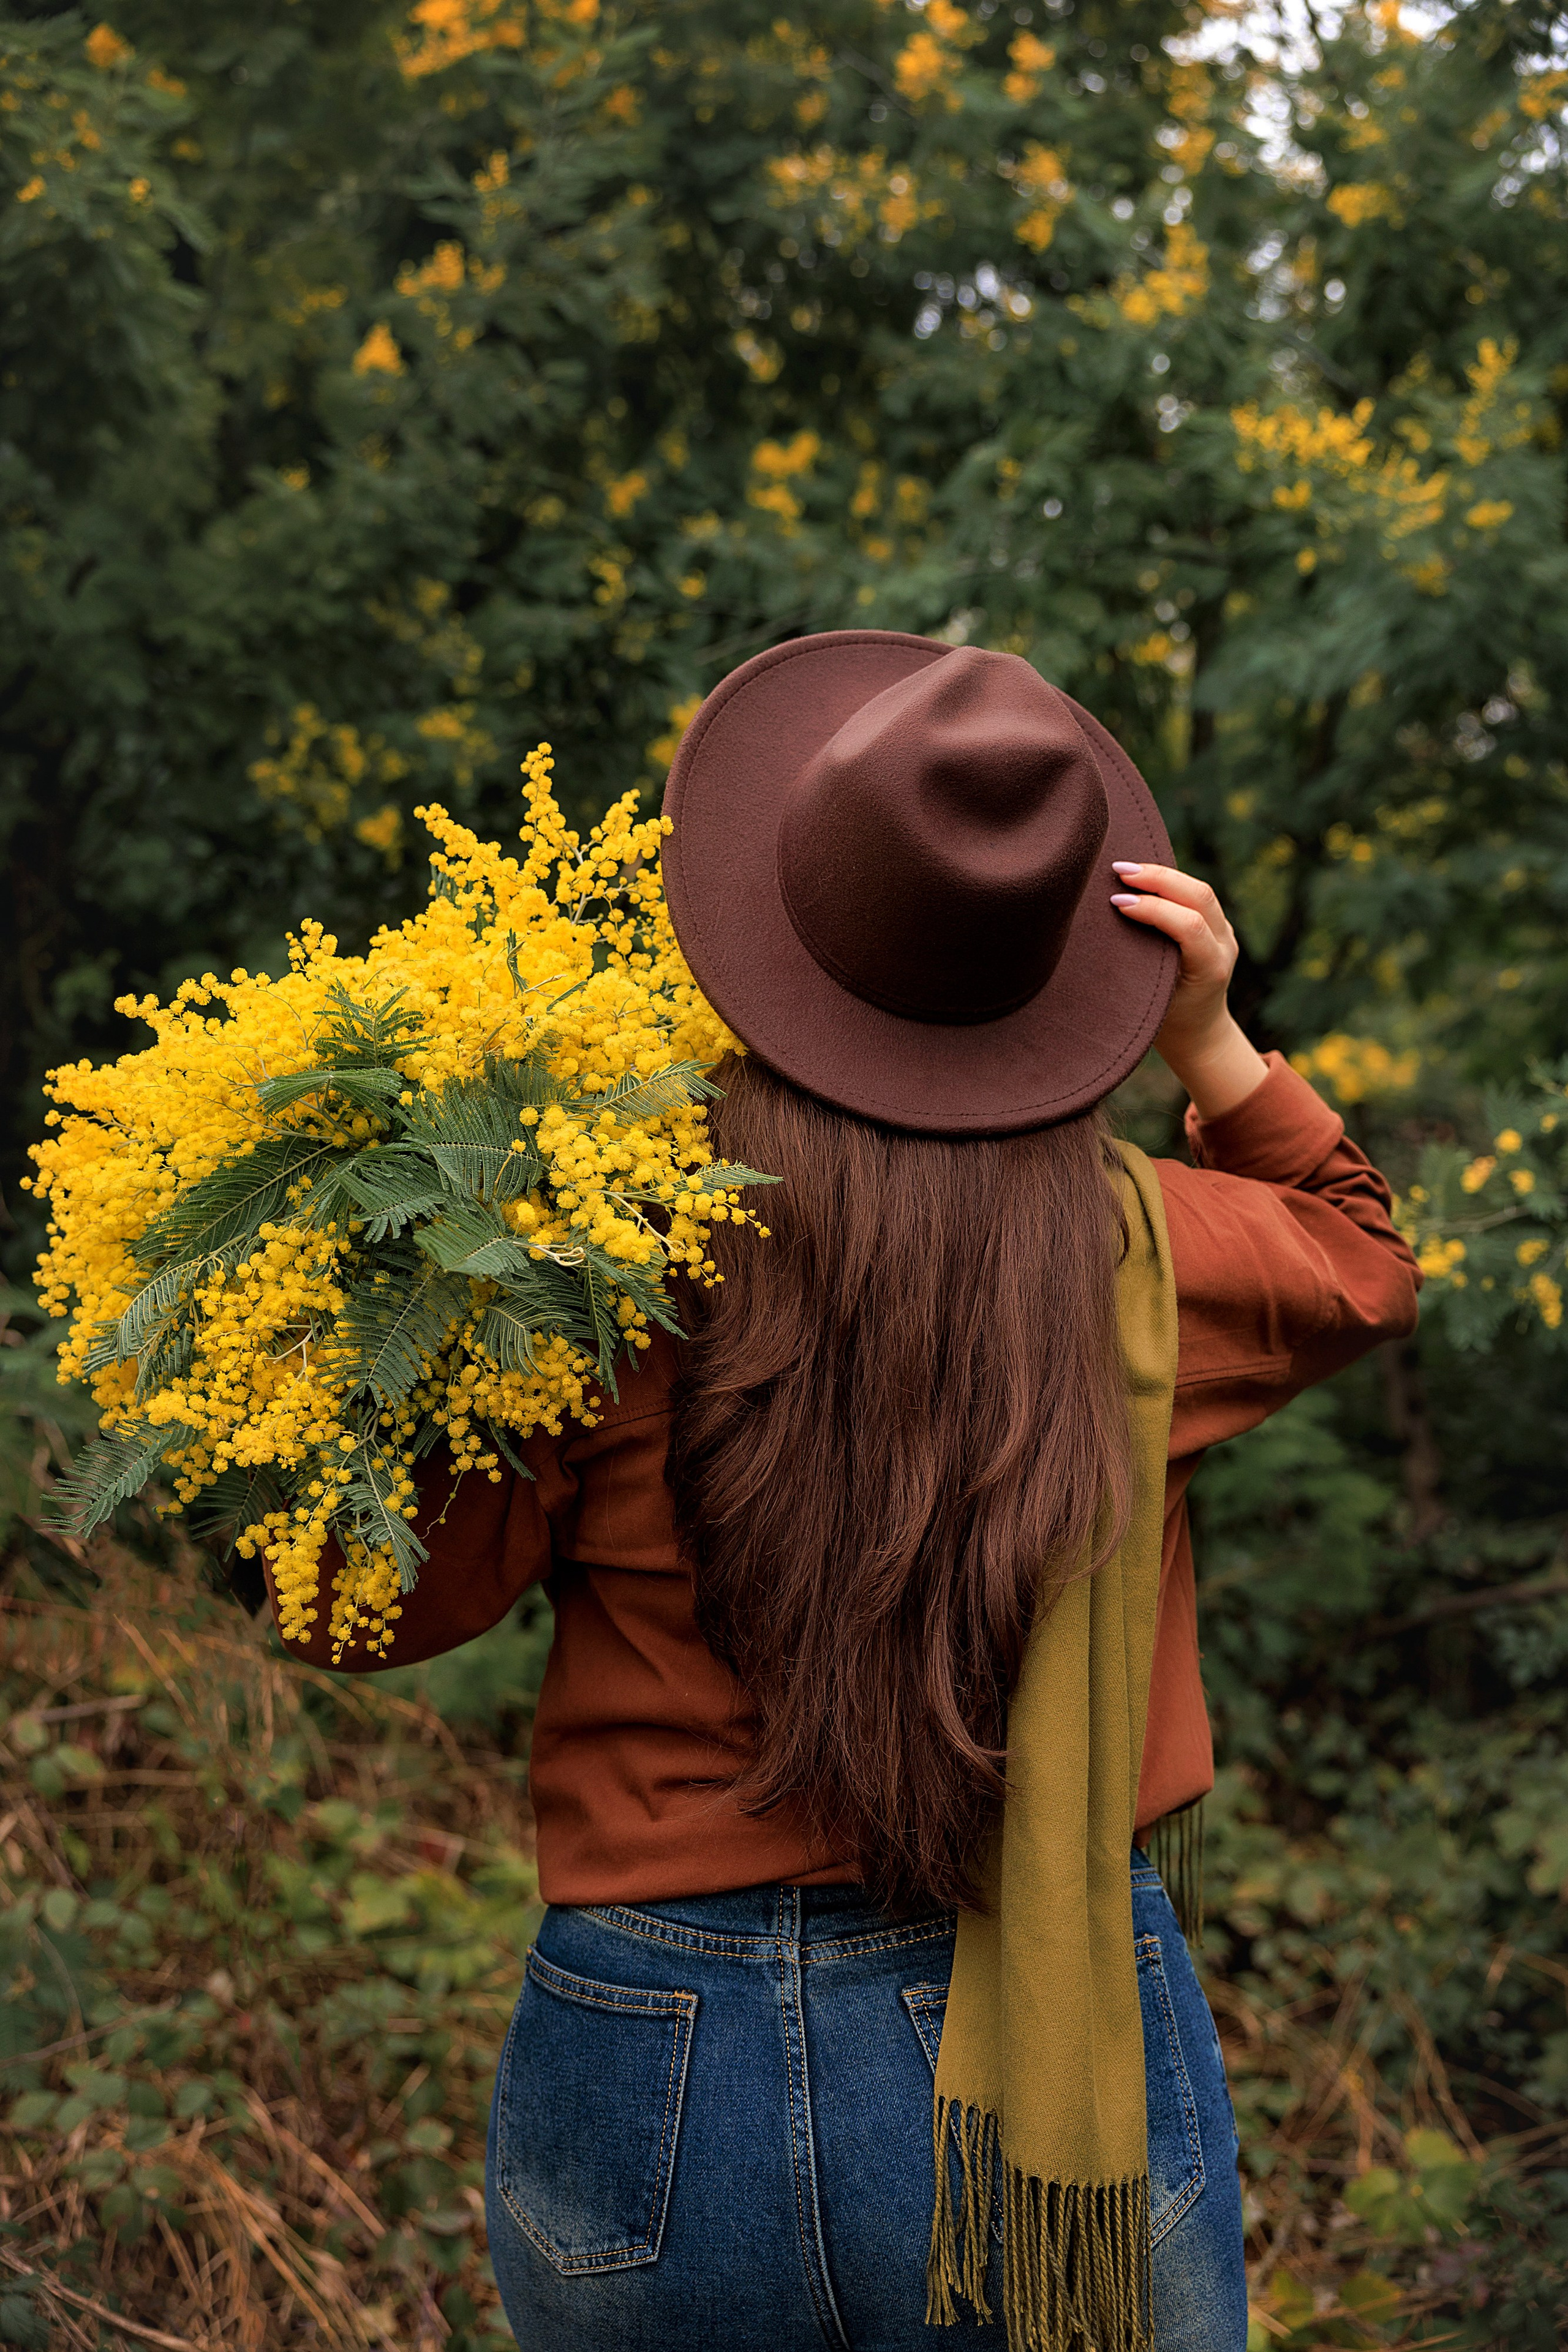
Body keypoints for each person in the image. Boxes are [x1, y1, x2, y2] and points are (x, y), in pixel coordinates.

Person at [271, 633, 1420, 2352]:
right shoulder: (1149, 1266)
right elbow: (1363, 1265)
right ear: (1059, 974)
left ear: (761, 923)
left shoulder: (588, 1250)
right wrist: (1217, 1041)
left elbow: (364, 1612)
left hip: (646, 2040)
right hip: (1037, 2023)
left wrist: (389, 1308)